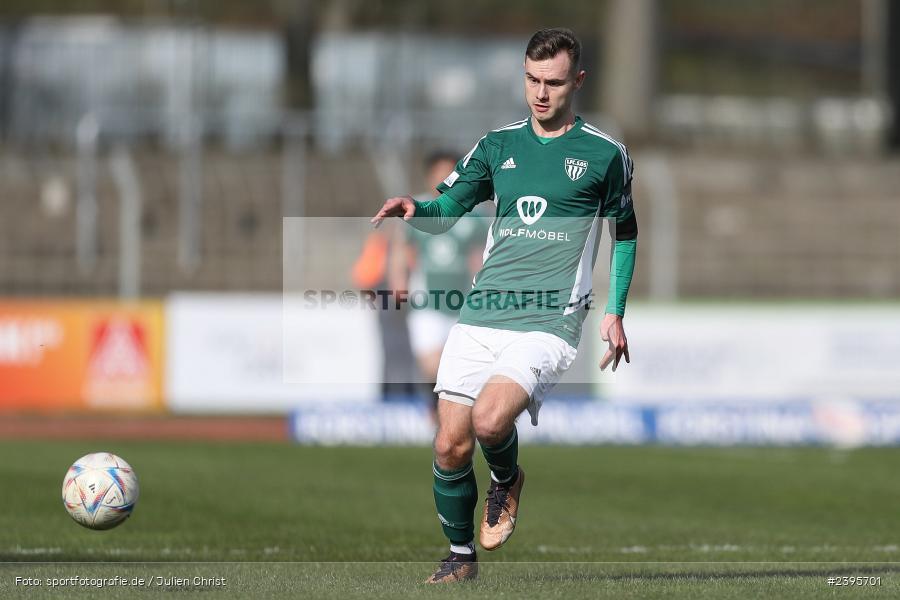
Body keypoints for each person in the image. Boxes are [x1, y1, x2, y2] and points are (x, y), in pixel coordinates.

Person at [371, 27, 637, 583]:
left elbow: (626, 233)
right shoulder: (498, 145)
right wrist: (412, 207)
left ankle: (506, 479)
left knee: (491, 422)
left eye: (554, 82)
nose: (541, 93)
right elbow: (449, 206)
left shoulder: (605, 155)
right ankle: (460, 558)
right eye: (533, 80)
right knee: (448, 443)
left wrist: (615, 311)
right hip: (484, 310)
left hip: (550, 318)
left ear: (578, 81)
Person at [388, 151, 489, 419]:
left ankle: (453, 414)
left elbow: (477, 259)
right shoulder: (416, 209)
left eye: (450, 173)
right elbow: (401, 250)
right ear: (429, 176)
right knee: (431, 364)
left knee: (459, 365)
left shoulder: (473, 215)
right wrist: (399, 281)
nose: (444, 179)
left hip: (462, 302)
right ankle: (436, 409)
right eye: (439, 173)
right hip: (427, 301)